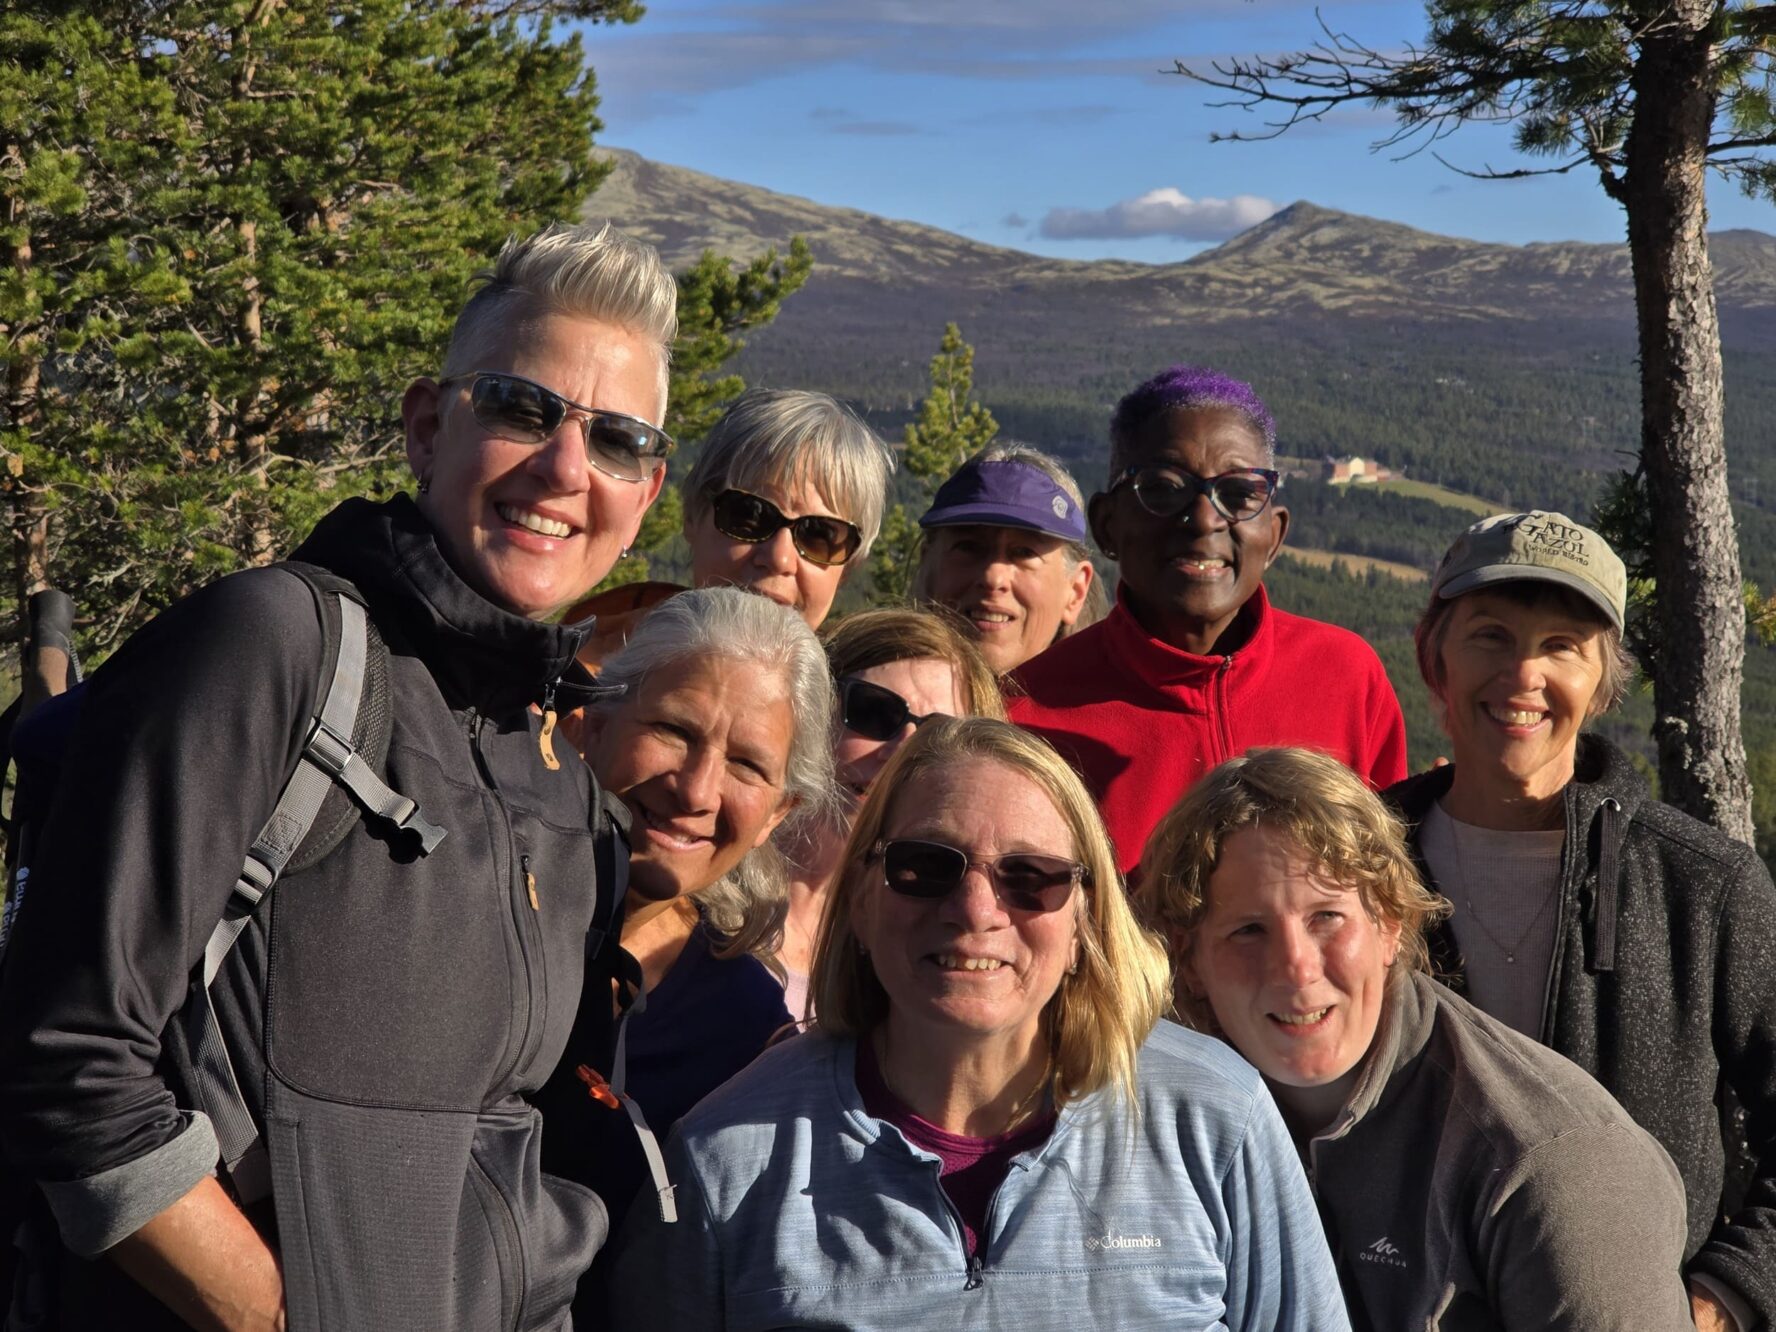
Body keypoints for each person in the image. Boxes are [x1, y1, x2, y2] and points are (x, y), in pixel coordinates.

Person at [0, 220, 676, 1331]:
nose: (565, 468)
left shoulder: (555, 772)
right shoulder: (275, 648)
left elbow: (510, 1154)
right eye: (521, 407)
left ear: (644, 494)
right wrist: (276, 1315)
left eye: (617, 441)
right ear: (425, 425)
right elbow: (66, 1054)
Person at [613, 717, 1351, 1330]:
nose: (975, 910)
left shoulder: (1215, 1117)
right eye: (927, 866)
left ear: (1085, 920)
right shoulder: (728, 1161)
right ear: (861, 900)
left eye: (1031, 877)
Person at [1141, 746, 1694, 1330]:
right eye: (1248, 930)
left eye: (1327, 917)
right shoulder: (1158, 1127)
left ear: (1389, 923)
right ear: (1190, 961)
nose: (1296, 970)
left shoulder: (1554, 1165)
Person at [1386, 510, 1776, 1332]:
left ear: (1602, 683)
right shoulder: (1356, 869)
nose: (1523, 674)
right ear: (1435, 659)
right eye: (1490, 634)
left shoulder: (1699, 884)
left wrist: (1725, 1297)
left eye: (1562, 645)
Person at [531, 587, 836, 1324]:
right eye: (673, 729)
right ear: (589, 730)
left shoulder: (748, 1032)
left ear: (778, 816)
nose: (696, 789)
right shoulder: (468, 921)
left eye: (748, 766)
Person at [1009, 365, 1406, 875]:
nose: (1203, 518)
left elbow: (1391, 882)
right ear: (1108, 524)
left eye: (1239, 494)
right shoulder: (1027, 711)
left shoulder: (1346, 676)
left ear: (1275, 534)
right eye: (1163, 488)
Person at [562, 387, 897, 671]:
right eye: (750, 516)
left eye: (820, 536)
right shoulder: (575, 685)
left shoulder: (865, 731)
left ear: (849, 565)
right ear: (692, 513)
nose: (779, 558)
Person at [776, 608, 1005, 1018]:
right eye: (875, 713)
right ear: (809, 712)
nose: (901, 751)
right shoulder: (704, 895)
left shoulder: (936, 946)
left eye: (937, 736)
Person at [913, 444, 1103, 675]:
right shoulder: (870, 700)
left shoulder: (1104, 709)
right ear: (927, 566)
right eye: (968, 547)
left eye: (1024, 552)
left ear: (1075, 591)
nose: (993, 577)